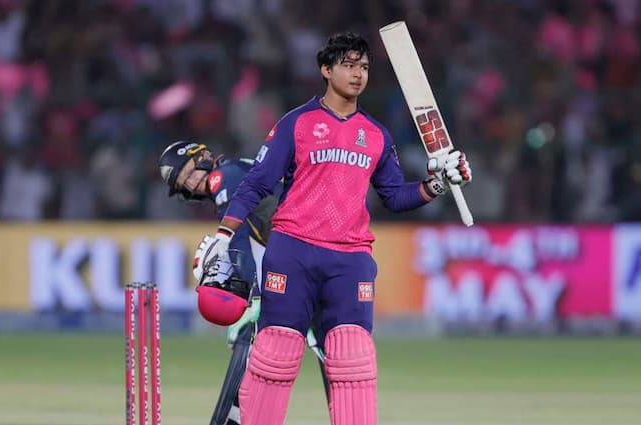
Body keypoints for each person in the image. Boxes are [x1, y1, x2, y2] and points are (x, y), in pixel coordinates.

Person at [196, 32, 472, 425]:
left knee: (352, 358)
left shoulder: (376, 135)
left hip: (349, 258)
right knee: (275, 354)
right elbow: (257, 182)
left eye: (364, 67)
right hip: (293, 252)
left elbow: (395, 197)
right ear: (326, 70)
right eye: (348, 65)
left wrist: (438, 184)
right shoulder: (297, 123)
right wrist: (225, 234)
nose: (358, 74)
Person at [157, 141, 330, 425]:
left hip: (308, 252)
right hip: (315, 250)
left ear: (201, 156)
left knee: (252, 338)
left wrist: (254, 296)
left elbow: (236, 242)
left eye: (187, 173)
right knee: (329, 351)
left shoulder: (223, 177)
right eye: (183, 184)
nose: (190, 184)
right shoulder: (235, 170)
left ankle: (231, 420)